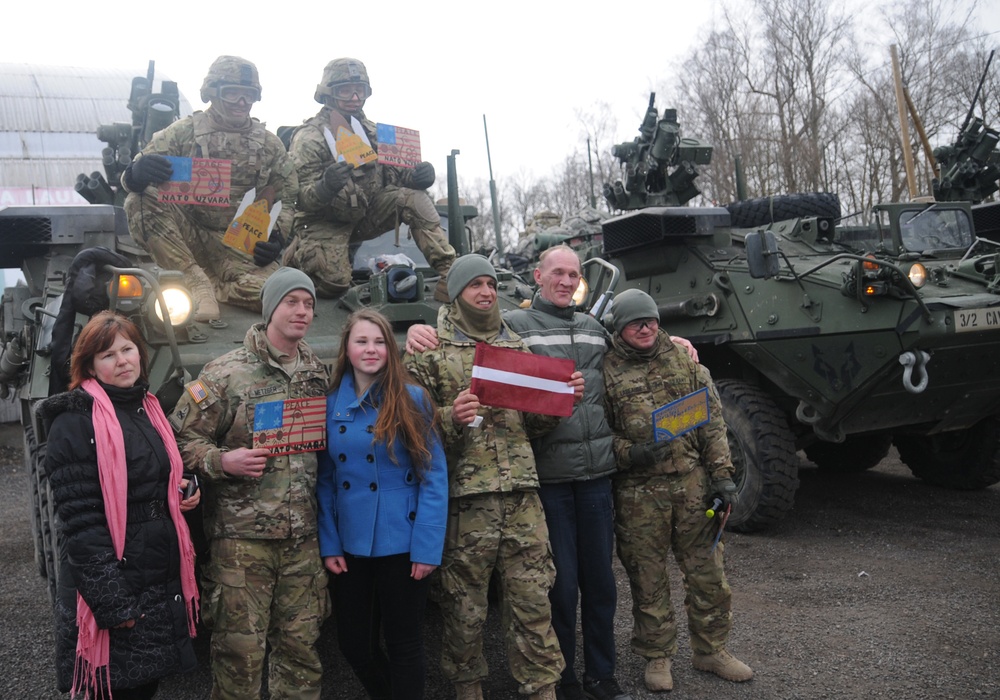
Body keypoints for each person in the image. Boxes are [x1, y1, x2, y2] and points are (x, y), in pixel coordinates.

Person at [404, 254, 584, 700]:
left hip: (522, 493)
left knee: (532, 597)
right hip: (465, 500)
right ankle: (468, 687)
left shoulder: (516, 347)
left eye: (490, 283)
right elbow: (407, 428)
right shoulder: (428, 351)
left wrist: (563, 401)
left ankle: (542, 686)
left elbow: (533, 425)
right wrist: (449, 416)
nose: (486, 292)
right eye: (475, 285)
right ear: (458, 293)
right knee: (464, 604)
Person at [169, 267, 331, 699]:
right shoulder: (225, 373)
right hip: (242, 542)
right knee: (239, 658)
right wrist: (223, 461)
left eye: (309, 303)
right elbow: (180, 438)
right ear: (270, 308)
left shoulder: (317, 372)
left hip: (303, 539)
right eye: (291, 302)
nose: (302, 311)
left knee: (301, 656)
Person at [38, 311, 200, 700]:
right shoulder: (75, 423)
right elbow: (81, 524)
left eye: (128, 349)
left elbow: (162, 470)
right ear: (89, 365)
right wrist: (114, 604)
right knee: (116, 690)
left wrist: (187, 485)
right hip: (118, 586)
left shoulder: (147, 409)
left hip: (156, 580)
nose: (123, 360)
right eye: (108, 354)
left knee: (145, 686)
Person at [601, 289, 753, 693]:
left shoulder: (686, 363)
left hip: (692, 487)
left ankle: (711, 650)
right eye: (636, 322)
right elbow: (599, 436)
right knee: (648, 581)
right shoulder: (606, 371)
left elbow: (713, 427)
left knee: (708, 576)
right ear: (620, 328)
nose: (647, 327)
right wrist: (630, 452)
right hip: (638, 494)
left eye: (651, 320)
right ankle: (657, 656)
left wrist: (722, 478)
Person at [317, 309, 448, 699]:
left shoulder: (412, 399)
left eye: (379, 342)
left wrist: (427, 547)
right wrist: (329, 543)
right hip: (349, 543)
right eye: (361, 341)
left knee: (405, 643)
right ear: (347, 348)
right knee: (354, 645)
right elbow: (324, 482)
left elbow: (434, 475)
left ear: (390, 349)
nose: (370, 349)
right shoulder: (327, 406)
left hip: (403, 540)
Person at [121, 55, 297, 322]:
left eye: (249, 95)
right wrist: (135, 174)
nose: (242, 102)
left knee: (278, 297)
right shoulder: (183, 133)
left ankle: (216, 283)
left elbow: (287, 195)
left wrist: (277, 237)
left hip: (240, 243)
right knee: (139, 199)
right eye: (232, 94)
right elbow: (133, 176)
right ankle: (196, 282)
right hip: (188, 234)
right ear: (212, 93)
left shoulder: (270, 145)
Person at [284, 57, 455, 301]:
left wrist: (417, 177)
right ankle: (298, 253)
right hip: (323, 222)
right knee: (333, 284)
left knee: (414, 199)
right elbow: (299, 200)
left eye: (360, 90)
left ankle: (451, 273)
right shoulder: (310, 137)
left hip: (367, 214)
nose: (355, 97)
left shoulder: (376, 133)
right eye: (346, 90)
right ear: (327, 94)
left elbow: (397, 176)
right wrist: (325, 187)